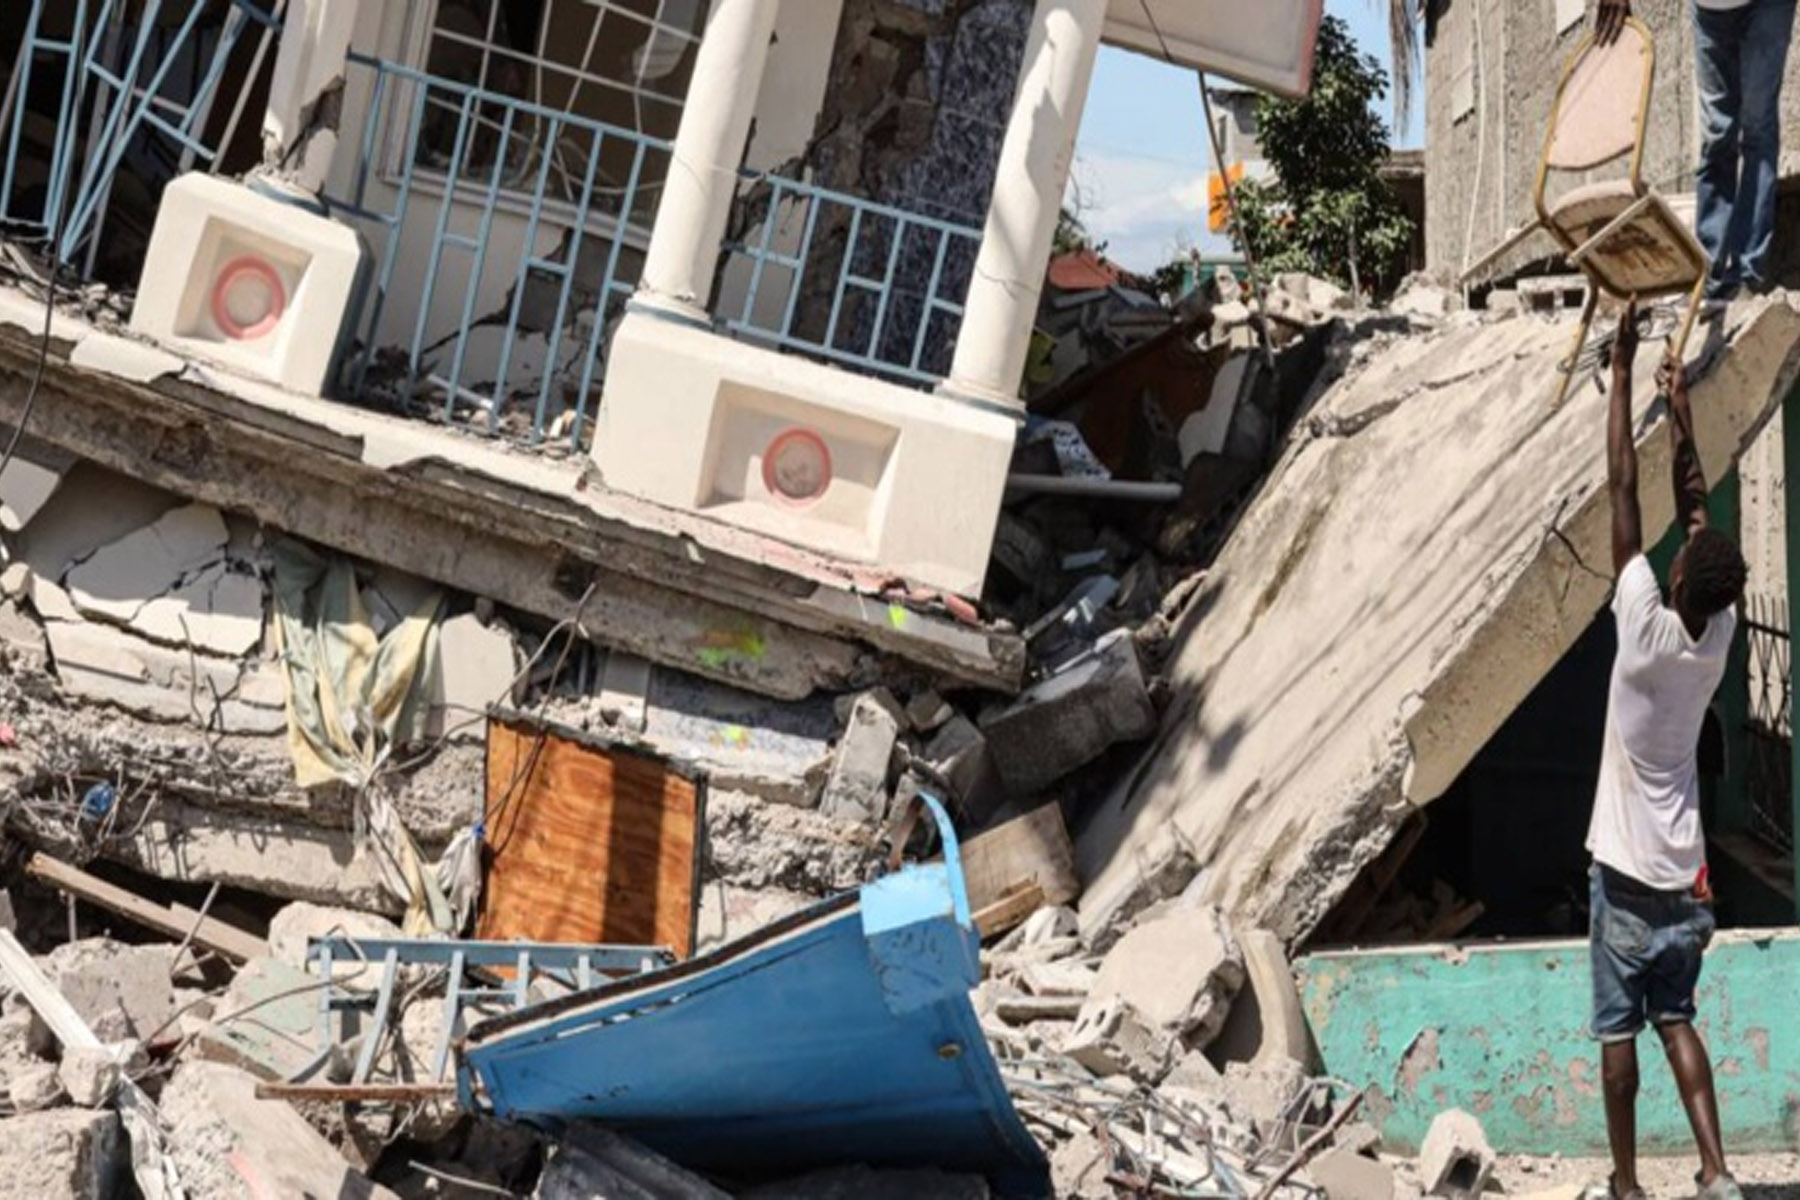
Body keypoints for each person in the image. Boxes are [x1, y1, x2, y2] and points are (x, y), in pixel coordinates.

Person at [1591, 302, 1748, 1200]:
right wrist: (1680, 409)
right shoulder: (1715, 634)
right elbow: (1696, 513)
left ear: (1678, 581)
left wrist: (1620, 373)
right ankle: (1717, 1171)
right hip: (1685, 877)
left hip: (1623, 873)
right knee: (1676, 1019)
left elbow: (1624, 491)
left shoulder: (1645, 630)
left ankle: (1626, 1184)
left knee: (1618, 1034)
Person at [1596, 0, 1796, 302]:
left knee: (1758, 127)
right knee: (1716, 136)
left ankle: (1747, 275)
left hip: (1767, 7)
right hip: (1709, 11)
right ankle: (1710, 276)